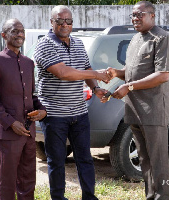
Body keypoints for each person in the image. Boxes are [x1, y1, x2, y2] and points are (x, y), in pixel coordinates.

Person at [33, 5, 110, 200]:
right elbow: (64, 73)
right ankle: (58, 198)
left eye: (69, 21)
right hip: (54, 115)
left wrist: (95, 87)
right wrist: (97, 74)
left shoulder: (77, 43)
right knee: (57, 161)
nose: (65, 24)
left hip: (79, 113)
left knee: (85, 158)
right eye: (60, 21)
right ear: (52, 22)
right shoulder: (45, 44)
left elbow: (85, 67)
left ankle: (89, 197)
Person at [107, 1, 169, 199]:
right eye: (133, 15)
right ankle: (150, 196)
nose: (135, 18)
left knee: (158, 162)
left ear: (152, 15)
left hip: (153, 110)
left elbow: (163, 75)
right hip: (134, 110)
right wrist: (116, 73)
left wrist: (128, 87)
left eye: (139, 15)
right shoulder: (135, 39)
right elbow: (131, 73)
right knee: (145, 161)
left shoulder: (162, 38)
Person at [0, 19, 47, 200]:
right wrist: (11, 123)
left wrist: (42, 111)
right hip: (9, 133)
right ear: (4, 35)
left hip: (29, 132)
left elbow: (32, 95)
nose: (20, 34)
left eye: (22, 31)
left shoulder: (28, 63)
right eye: (15, 31)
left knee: (28, 180)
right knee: (8, 180)